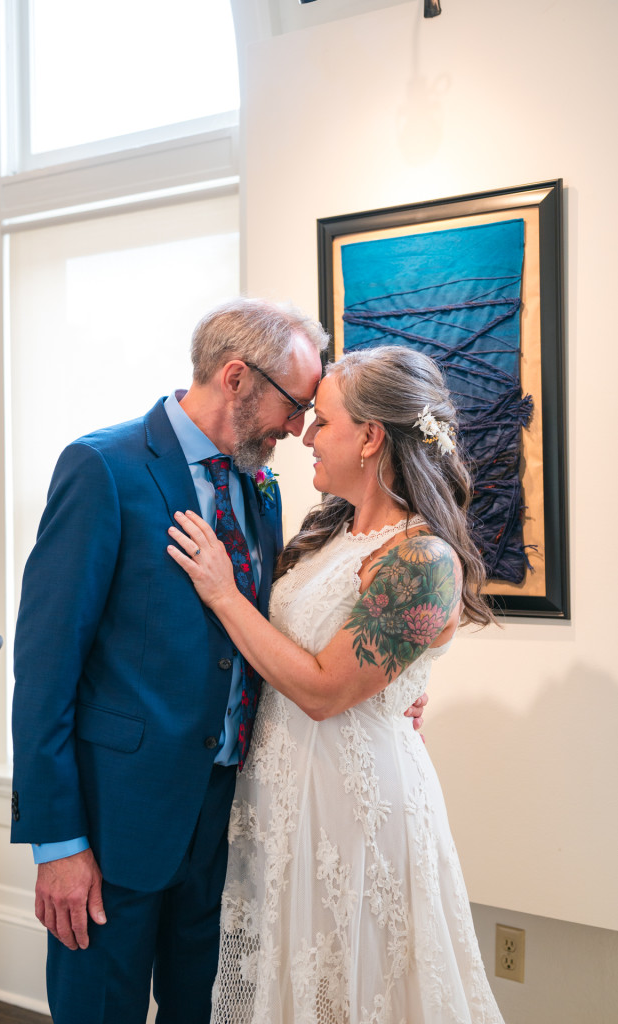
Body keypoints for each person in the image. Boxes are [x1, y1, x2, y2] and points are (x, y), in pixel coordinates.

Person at [10, 298, 427, 1024]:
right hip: (116, 823)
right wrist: (58, 841)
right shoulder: (103, 468)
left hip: (232, 820)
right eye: (295, 404)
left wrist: (388, 688)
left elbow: (275, 634)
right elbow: (44, 669)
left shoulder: (256, 484)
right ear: (236, 378)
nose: (297, 428)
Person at [168, 345, 506, 1023]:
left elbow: (324, 692)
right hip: (282, 794)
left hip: (353, 808)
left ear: (371, 436)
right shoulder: (326, 532)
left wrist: (222, 593)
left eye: (321, 421)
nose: (305, 436)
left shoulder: (422, 560)